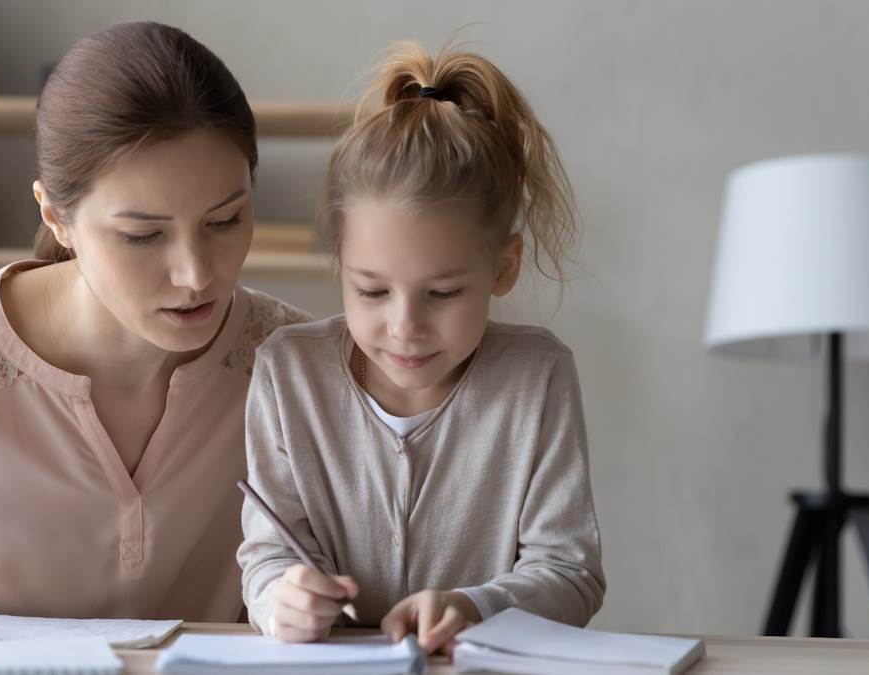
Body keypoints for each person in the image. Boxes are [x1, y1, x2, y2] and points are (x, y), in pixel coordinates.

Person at [0, 21, 308, 620]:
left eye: (225, 221)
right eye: (143, 236)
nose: (196, 274)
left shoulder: (290, 361)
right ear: (56, 217)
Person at [238, 41, 605, 654]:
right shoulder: (287, 372)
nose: (405, 326)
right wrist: (281, 599)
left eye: (442, 292)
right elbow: (265, 554)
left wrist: (475, 605)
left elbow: (571, 573)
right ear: (341, 267)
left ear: (504, 267)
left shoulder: (535, 378)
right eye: (372, 290)